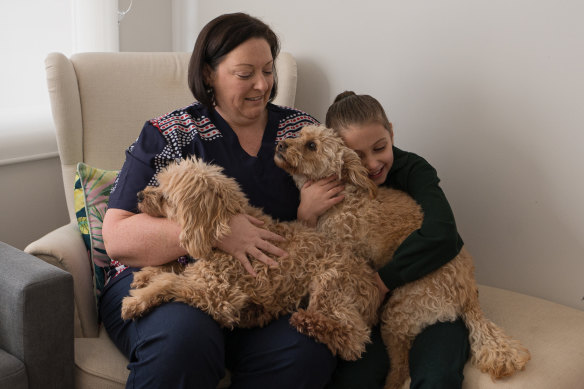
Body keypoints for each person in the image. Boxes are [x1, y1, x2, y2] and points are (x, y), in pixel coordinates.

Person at [100, 13, 336, 389]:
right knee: (185, 339)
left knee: (307, 348)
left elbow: (341, 212)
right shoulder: (170, 134)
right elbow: (118, 237)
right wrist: (215, 232)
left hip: (262, 293)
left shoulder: (299, 133)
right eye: (245, 74)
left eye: (269, 71)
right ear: (209, 74)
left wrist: (307, 218)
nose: (262, 85)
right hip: (164, 279)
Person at [300, 91, 470, 389]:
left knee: (437, 376)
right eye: (357, 156)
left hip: (431, 297)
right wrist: (306, 215)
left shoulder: (413, 169)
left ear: (391, 132)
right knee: (355, 377)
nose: (372, 163)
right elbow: (317, 258)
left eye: (380, 147)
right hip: (372, 314)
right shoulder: (328, 185)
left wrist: (383, 281)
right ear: (339, 154)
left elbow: (443, 234)